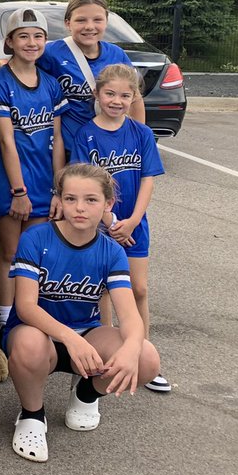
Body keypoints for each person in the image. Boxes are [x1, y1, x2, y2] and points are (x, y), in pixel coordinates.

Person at [4, 163, 161, 463]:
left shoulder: (111, 251)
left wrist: (129, 349)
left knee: (146, 357)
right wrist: (69, 338)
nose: (80, 208)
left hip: (85, 334)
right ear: (60, 201)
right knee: (29, 345)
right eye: (71, 198)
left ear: (108, 204)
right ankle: (32, 415)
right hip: (39, 333)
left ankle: (86, 395)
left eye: (91, 200)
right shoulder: (36, 238)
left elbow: (129, 316)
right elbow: (25, 306)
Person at [69, 62, 170, 394]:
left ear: (134, 97)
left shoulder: (140, 133)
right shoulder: (86, 134)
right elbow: (83, 185)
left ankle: (140, 352)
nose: (116, 100)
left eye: (125, 95)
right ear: (97, 94)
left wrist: (133, 221)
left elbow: (147, 180)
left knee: (138, 289)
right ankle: (108, 355)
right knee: (104, 292)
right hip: (101, 227)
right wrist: (110, 223)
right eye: (109, 93)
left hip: (134, 224)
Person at [0, 8, 68, 330]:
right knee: (9, 252)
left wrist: (59, 188)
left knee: (32, 257)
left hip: (44, 182)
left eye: (38, 36)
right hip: (10, 184)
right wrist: (18, 192)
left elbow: (58, 138)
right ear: (9, 41)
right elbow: (6, 142)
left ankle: (27, 316)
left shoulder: (50, 84)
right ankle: (6, 322)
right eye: (23, 36)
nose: (31, 42)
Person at [37, 0, 145, 148]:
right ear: (68, 23)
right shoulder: (51, 53)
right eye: (81, 20)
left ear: (106, 22)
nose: (89, 26)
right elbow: (18, 68)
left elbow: (135, 98)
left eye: (97, 20)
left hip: (106, 147)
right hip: (69, 148)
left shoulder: (116, 55)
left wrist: (138, 140)